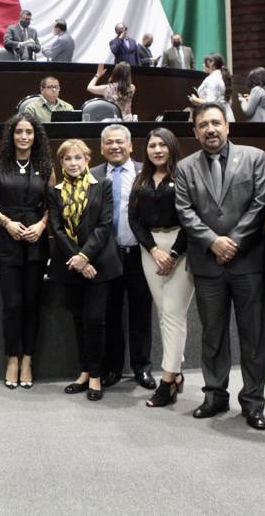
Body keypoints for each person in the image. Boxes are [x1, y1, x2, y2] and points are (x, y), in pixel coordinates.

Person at [175, 103, 265, 430]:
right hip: (207, 264)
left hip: (247, 262)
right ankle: (215, 395)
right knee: (212, 335)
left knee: (253, 336)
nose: (210, 129)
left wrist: (234, 241)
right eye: (203, 125)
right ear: (195, 131)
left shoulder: (255, 157)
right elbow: (185, 211)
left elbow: (260, 204)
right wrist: (213, 241)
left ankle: (253, 402)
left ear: (228, 126)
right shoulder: (185, 167)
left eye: (216, 123)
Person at [0, 114, 54, 389]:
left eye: (29, 132)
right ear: (11, 135)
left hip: (36, 242)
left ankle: (27, 359)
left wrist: (42, 225)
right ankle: (11, 358)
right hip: (6, 241)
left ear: (36, 136)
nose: (24, 137)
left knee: (32, 305)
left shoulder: (45, 165)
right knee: (12, 305)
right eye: (19, 132)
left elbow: (52, 203)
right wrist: (6, 222)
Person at [47, 139, 121, 401]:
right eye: (67, 159)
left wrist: (85, 256)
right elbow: (56, 228)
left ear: (88, 159)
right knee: (78, 321)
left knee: (95, 321)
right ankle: (84, 371)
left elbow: (104, 225)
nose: (73, 163)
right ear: (61, 162)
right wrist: (77, 259)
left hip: (99, 265)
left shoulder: (102, 186)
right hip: (70, 266)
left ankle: (97, 376)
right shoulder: (55, 191)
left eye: (78, 158)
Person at [129, 128, 194, 407]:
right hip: (150, 250)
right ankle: (176, 372)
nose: (157, 150)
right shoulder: (141, 179)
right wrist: (154, 249)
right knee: (163, 313)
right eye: (152, 145)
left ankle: (167, 381)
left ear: (171, 147)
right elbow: (134, 220)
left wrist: (174, 253)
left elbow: (192, 218)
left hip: (181, 247)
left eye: (162, 145)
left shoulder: (184, 176)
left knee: (173, 313)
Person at [92, 124, 155, 389]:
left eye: (120, 142)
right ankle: (113, 368)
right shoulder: (92, 174)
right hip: (107, 256)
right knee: (111, 314)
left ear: (131, 146)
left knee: (141, 313)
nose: (114, 147)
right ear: (102, 148)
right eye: (109, 142)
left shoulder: (146, 172)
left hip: (139, 255)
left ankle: (141, 367)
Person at [189, 53, 234, 122]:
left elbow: (210, 102)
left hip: (217, 116)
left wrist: (195, 99)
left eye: (204, 63)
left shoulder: (213, 79)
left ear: (211, 63)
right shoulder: (220, 76)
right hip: (224, 114)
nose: (203, 65)